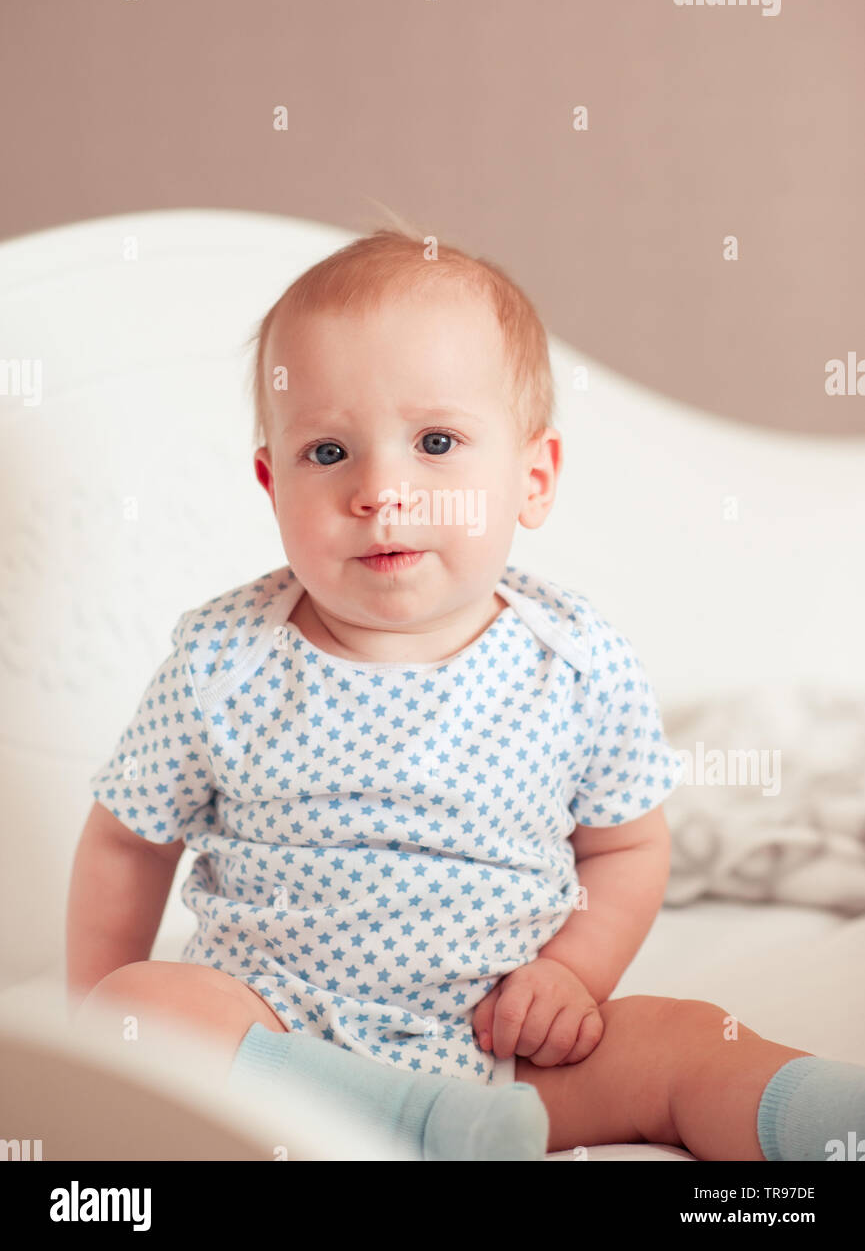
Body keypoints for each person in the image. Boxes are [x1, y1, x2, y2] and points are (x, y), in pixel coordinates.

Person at [66, 228, 865, 1160]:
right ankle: (410, 1127)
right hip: (271, 1036)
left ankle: (832, 1128)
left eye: (435, 441)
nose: (380, 490)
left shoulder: (573, 662)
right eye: (327, 452)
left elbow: (629, 846)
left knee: (684, 1040)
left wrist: (569, 974)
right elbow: (127, 841)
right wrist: (99, 1037)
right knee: (143, 1009)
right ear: (269, 481)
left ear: (532, 478)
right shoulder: (222, 660)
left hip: (502, 1049)